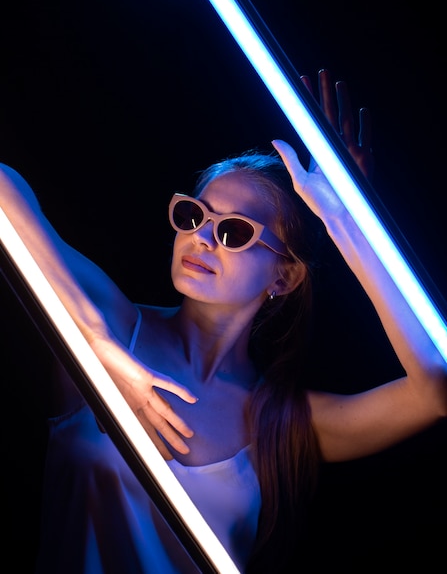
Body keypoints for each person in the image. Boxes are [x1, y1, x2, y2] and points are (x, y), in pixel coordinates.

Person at [1, 69, 445, 574]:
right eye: (194, 216)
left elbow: (437, 390)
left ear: (285, 276)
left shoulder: (282, 423)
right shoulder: (116, 326)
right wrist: (95, 343)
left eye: (234, 231)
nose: (203, 238)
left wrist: (343, 220)